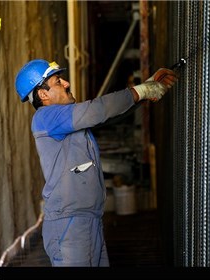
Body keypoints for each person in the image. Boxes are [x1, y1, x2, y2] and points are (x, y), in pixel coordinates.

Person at [14, 59, 178, 267]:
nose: (66, 84)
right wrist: (142, 91)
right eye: (58, 82)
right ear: (43, 94)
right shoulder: (45, 117)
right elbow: (98, 110)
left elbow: (106, 117)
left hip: (88, 221)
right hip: (70, 225)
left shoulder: (63, 121)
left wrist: (146, 90)